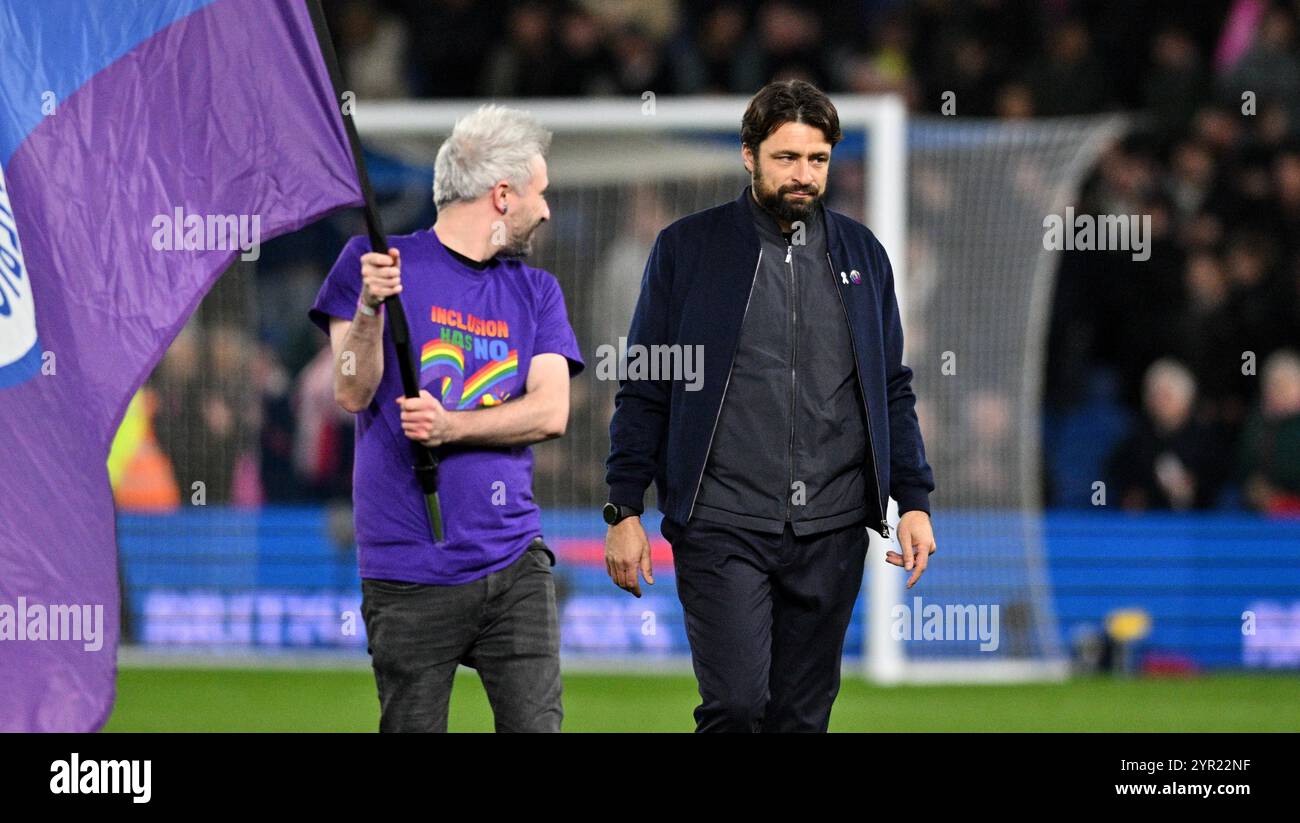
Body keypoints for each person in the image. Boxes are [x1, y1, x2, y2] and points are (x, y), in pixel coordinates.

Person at [603, 80, 937, 732]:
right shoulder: (687, 249)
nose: (803, 175)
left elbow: (890, 385)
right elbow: (645, 383)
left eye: (817, 160)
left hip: (833, 527)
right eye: (787, 157)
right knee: (734, 706)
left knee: (801, 719)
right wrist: (623, 504)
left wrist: (914, 499)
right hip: (721, 521)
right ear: (749, 155)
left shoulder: (863, 254)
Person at [309, 105, 584, 732]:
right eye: (540, 194)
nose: (546, 210)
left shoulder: (537, 290)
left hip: (515, 561)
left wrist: (450, 428)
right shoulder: (372, 262)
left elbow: (551, 411)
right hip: (407, 568)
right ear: (503, 194)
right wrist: (371, 309)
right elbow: (350, 392)